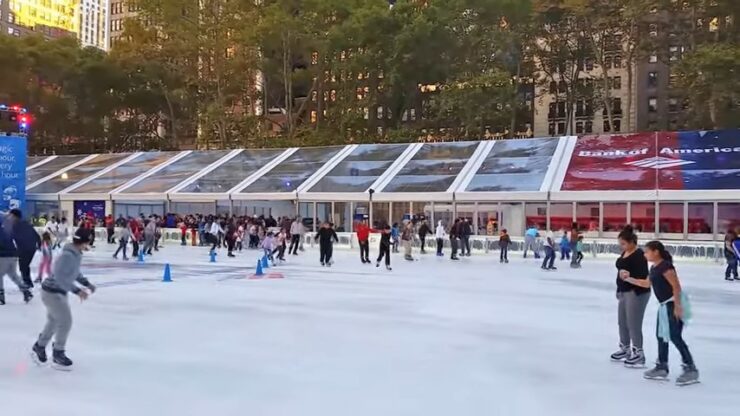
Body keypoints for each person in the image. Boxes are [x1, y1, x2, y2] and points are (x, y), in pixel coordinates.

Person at [620, 241, 699, 385]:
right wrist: (628, 278)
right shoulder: (654, 268)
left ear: (656, 252)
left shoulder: (666, 267)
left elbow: (676, 286)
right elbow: (646, 284)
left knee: (675, 336)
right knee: (661, 336)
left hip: (673, 303)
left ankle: (690, 368)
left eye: (647, 252)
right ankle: (662, 366)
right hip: (664, 306)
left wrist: (678, 306)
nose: (645, 254)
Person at [31, 228, 97, 371]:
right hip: (52, 292)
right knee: (65, 321)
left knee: (54, 321)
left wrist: (86, 283)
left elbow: (74, 272)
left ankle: (40, 346)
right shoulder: (68, 255)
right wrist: (77, 290)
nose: (89, 245)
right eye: (88, 242)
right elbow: (61, 277)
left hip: (57, 292)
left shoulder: (75, 254)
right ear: (83, 242)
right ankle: (58, 353)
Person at [611, 226, 650, 368]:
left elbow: (642, 279)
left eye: (623, 244)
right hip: (624, 292)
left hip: (637, 293)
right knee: (622, 322)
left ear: (632, 242)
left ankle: (639, 353)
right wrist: (619, 288)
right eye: (620, 244)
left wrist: (627, 279)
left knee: (633, 323)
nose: (621, 246)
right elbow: (621, 272)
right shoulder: (625, 253)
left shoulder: (639, 256)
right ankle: (625, 348)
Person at [0, 210, 33, 305]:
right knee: (13, 275)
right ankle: (26, 291)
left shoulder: (3, 229)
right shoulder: (8, 226)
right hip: (13, 254)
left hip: (4, 255)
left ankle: (1, 296)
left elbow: (2, 242)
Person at [12, 210, 41, 288]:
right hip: (31, 248)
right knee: (25, 265)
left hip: (24, 248)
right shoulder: (26, 223)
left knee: (23, 266)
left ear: (14, 216)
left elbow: (11, 236)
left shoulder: (15, 225)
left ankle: (27, 283)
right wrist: (39, 244)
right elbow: (36, 235)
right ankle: (28, 282)